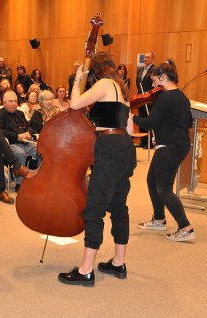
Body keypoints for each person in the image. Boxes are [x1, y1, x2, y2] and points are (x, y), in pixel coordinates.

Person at [58, 52, 136, 287]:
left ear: (96, 71)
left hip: (109, 148)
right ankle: (118, 262)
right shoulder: (122, 91)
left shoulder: (103, 84)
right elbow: (130, 128)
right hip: (125, 148)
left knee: (94, 209)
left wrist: (77, 80)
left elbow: (74, 104)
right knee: (119, 207)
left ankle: (86, 270)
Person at [134, 61, 195, 242]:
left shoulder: (165, 98)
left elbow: (149, 123)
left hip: (170, 147)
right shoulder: (182, 97)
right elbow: (189, 123)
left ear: (163, 78)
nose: (152, 86)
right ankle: (159, 219)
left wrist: (131, 117)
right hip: (176, 145)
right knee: (152, 181)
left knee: (164, 189)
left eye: (154, 81)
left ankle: (186, 228)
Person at [0, 90, 37, 192]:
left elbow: (29, 126)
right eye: (11, 101)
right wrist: (17, 136)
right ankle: (19, 183)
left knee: (42, 150)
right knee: (20, 153)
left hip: (25, 142)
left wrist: (28, 133)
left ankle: (37, 178)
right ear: (4, 103)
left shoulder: (20, 113)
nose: (14, 104)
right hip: (10, 144)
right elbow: (0, 132)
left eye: (15, 101)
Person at [136, 52, 155, 148]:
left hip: (150, 99)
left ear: (152, 59)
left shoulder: (154, 70)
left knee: (149, 119)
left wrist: (149, 94)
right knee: (141, 118)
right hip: (141, 99)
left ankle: (150, 142)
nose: (146, 59)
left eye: (148, 57)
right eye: (145, 57)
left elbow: (155, 84)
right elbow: (138, 84)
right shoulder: (140, 70)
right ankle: (143, 141)